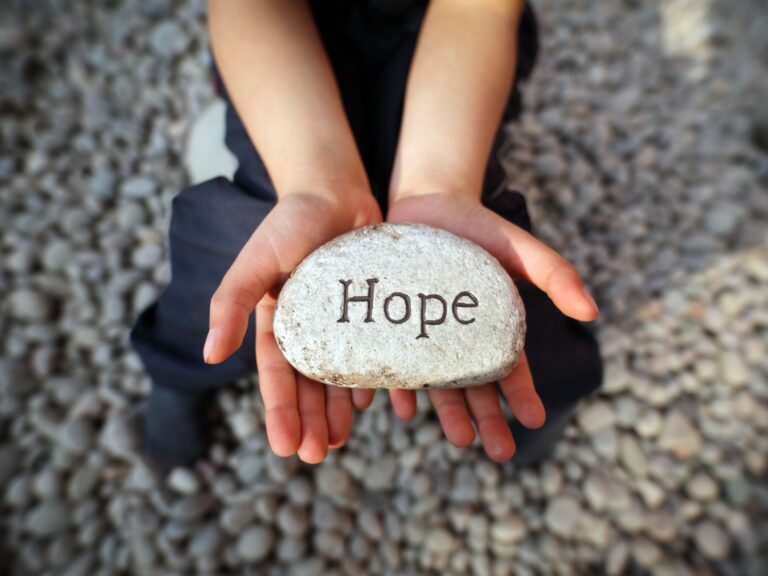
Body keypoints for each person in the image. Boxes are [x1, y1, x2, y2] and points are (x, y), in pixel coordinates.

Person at [129, 0, 603, 470]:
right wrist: (316, 182)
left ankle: (554, 375)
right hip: (281, 48)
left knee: (483, 251)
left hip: (454, 42)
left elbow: (478, 9)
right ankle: (181, 365)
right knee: (240, 241)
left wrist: (439, 182)